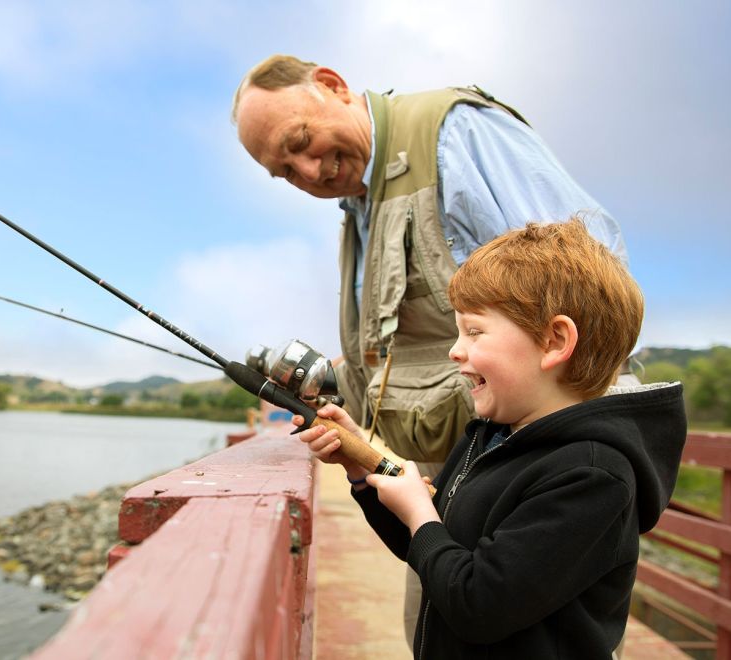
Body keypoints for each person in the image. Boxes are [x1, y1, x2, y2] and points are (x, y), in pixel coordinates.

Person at [232, 54, 630, 641]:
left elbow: (592, 273)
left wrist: (552, 434)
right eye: (284, 171)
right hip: (463, 467)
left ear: (332, 85)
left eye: (301, 141)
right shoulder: (357, 208)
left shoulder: (455, 132)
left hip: (523, 463)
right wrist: (364, 459)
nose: (308, 170)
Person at [293, 219, 686, 659]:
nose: (454, 350)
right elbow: (430, 549)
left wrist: (421, 513)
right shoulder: (491, 436)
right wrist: (363, 467)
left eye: (474, 331)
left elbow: (478, 604)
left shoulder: (591, 475)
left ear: (554, 341)